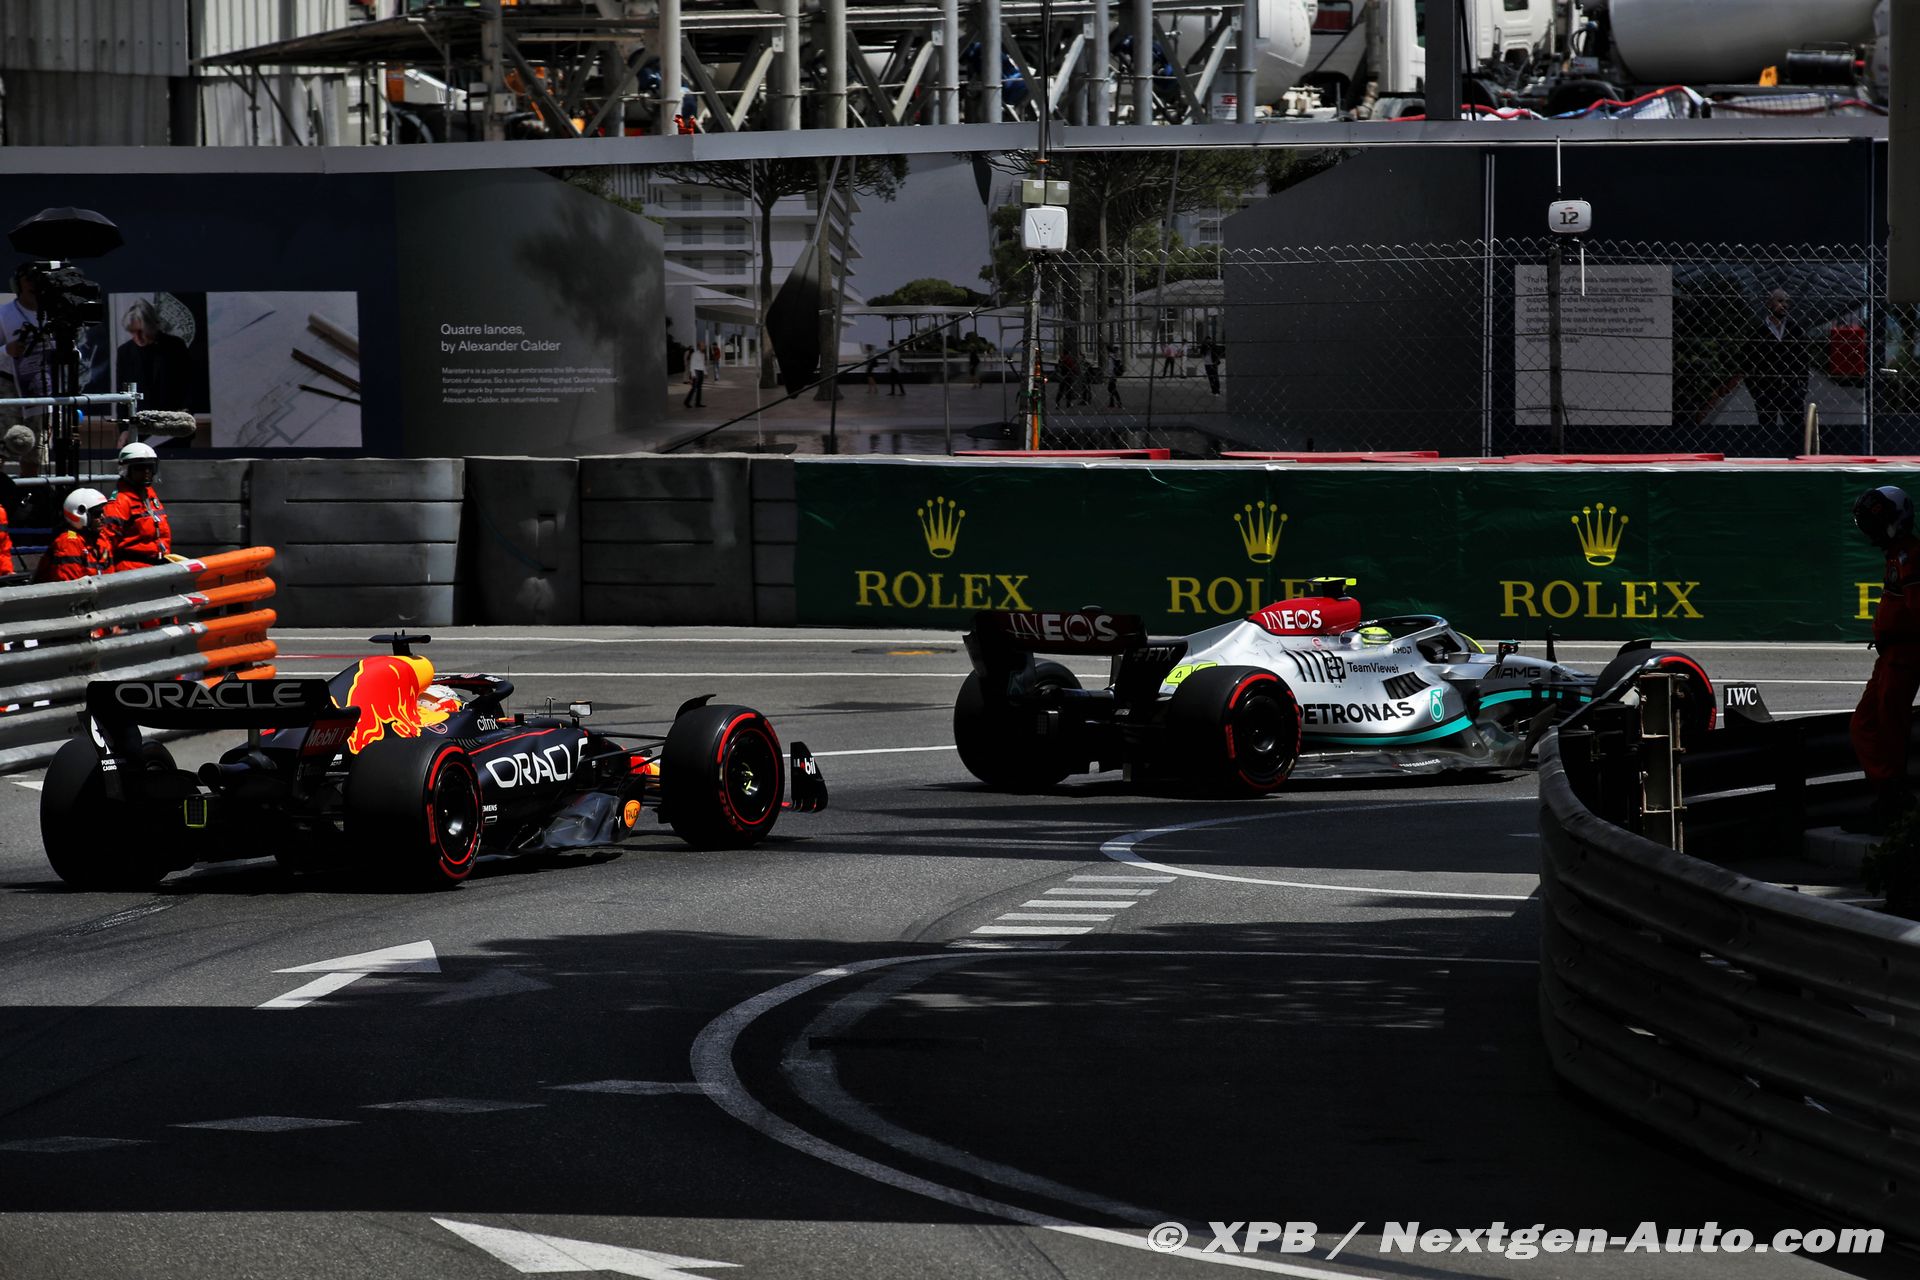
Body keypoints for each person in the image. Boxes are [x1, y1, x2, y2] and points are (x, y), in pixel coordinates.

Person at [1849, 485, 1920, 840]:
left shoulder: (1911, 557)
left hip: (1904, 656)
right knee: (1864, 724)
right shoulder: (1897, 555)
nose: (1871, 532)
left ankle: (1893, 802)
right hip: (1890, 656)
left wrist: (1896, 636)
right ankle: (1889, 794)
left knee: (1890, 728)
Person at [1747, 289, 1810, 448]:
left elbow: (1804, 361)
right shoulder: (1758, 332)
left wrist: (1802, 388)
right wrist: (1755, 391)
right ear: (1769, 304)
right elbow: (1747, 362)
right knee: (1767, 435)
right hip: (1766, 392)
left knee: (1795, 435)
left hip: (1792, 391)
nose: (1785, 305)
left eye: (1787, 302)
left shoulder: (1795, 330)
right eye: (1780, 301)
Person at [98, 441, 172, 572]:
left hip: (157, 566)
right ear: (126, 470)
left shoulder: (149, 495)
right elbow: (105, 542)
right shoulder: (120, 502)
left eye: (150, 467)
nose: (147, 472)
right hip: (132, 570)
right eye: (140, 468)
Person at [1, 264, 49, 437]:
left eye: (38, 280)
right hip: (7, 386)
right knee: (6, 443)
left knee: (37, 444)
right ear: (17, 284)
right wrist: (7, 350)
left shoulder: (53, 314)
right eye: (28, 280)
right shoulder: (3, 314)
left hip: (41, 386)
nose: (33, 285)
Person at [32, 487, 107, 583]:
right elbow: (72, 586)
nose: (102, 517)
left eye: (103, 512)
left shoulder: (100, 539)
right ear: (80, 514)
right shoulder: (69, 542)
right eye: (97, 514)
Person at [683, 342, 706, 408]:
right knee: (694, 388)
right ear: (698, 347)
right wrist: (693, 374)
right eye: (702, 346)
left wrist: (705, 372)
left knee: (699, 388)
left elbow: (703, 364)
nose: (704, 347)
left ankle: (698, 403)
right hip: (696, 372)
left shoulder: (703, 354)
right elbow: (692, 364)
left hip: (701, 372)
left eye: (704, 346)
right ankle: (686, 402)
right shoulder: (694, 354)